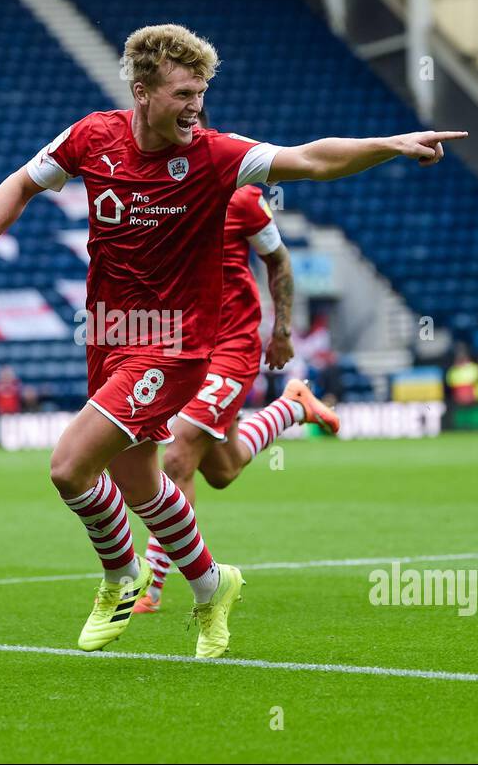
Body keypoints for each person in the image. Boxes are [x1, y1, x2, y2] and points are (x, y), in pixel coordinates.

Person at [0, 23, 466, 657]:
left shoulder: (218, 155)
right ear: (142, 93)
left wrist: (392, 144)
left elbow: (312, 159)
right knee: (143, 486)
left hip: (175, 344)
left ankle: (119, 579)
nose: (197, 106)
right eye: (184, 93)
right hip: (108, 335)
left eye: (201, 93)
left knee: (69, 467)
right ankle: (214, 585)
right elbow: (22, 183)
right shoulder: (91, 137)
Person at [135, 108, 339, 613]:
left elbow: (278, 260)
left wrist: (283, 330)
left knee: (179, 453)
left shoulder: (242, 194)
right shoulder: (157, 190)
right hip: (181, 344)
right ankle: (293, 406)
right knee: (220, 469)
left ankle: (152, 583)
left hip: (232, 344)